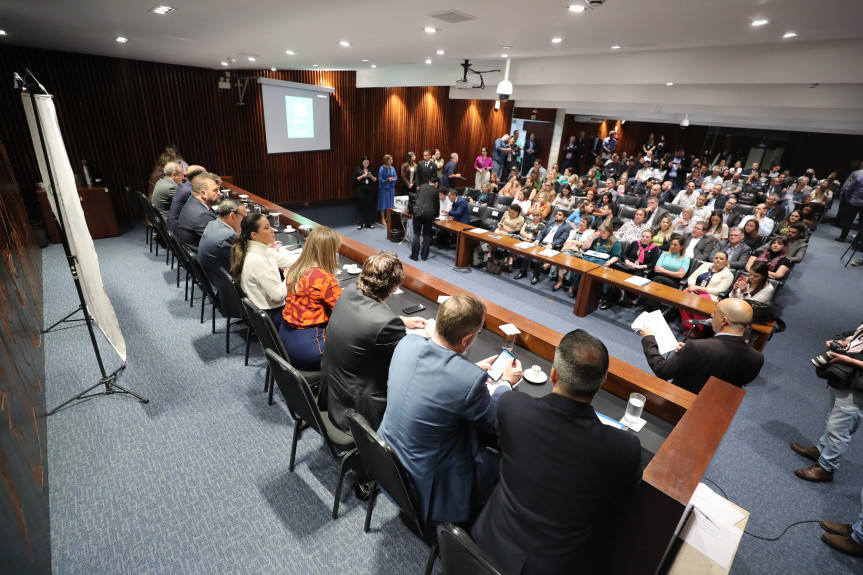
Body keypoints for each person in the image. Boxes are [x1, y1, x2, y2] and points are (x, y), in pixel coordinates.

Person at [471, 329, 641, 575]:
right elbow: (626, 502)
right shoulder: (624, 448)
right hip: (559, 565)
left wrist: (506, 382)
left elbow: (499, 398)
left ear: (553, 374)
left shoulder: (513, 407)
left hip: (487, 544)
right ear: (602, 382)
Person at [377, 294, 523, 524]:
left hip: (386, 464)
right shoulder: (469, 381)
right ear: (467, 339)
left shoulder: (407, 343)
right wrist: (506, 383)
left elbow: (434, 375)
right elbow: (494, 424)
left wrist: (466, 370)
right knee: (508, 460)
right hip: (426, 485)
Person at [321, 252, 426, 434]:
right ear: (394, 285)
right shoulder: (385, 323)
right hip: (359, 411)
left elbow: (367, 317)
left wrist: (400, 319)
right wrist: (434, 338)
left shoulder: (350, 292)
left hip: (336, 392)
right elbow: (413, 363)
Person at [640, 298, 764, 394]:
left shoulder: (696, 347)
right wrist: (687, 356)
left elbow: (663, 370)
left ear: (724, 321)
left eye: (715, 313)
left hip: (681, 402)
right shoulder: (758, 358)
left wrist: (648, 339)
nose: (711, 315)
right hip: (717, 411)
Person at [790, 322, 863, 483]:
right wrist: (843, 344)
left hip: (858, 386)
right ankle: (821, 450)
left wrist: (849, 360)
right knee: (831, 419)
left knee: (840, 429)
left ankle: (826, 467)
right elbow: (858, 337)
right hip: (843, 377)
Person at [278, 226, 342, 371]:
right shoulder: (324, 279)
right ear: (329, 251)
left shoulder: (295, 269)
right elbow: (343, 311)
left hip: (285, 341)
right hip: (310, 350)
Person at [230, 213, 300, 327]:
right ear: (254, 235)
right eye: (267, 228)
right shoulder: (258, 260)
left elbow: (290, 260)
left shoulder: (261, 249)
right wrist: (288, 277)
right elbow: (278, 296)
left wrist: (311, 257)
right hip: (272, 316)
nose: (273, 230)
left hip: (269, 310)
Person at [198, 199, 246, 313]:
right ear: (232, 216)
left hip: (217, 284)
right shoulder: (228, 237)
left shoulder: (213, 224)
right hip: (230, 294)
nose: (245, 221)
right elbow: (246, 264)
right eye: (244, 217)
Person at [514, 209, 569, 283]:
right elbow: (542, 233)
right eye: (556, 214)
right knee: (528, 252)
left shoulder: (566, 227)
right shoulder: (550, 222)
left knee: (540, 257)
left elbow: (562, 239)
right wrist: (537, 240)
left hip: (551, 246)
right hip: (541, 243)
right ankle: (522, 272)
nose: (556, 215)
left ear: (564, 218)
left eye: (559, 215)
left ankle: (535, 276)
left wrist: (551, 245)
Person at [175, 172, 221, 250]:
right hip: (201, 258)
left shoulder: (192, 202)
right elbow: (220, 241)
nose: (219, 193)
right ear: (203, 193)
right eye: (215, 190)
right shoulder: (202, 215)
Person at [167, 165, 206, 234]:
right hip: (179, 231)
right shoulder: (190, 190)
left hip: (174, 225)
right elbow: (199, 211)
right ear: (199, 177)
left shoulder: (184, 185)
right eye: (206, 175)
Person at [409, 176, 440, 261]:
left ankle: (414, 256)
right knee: (426, 235)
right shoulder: (436, 190)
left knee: (416, 234)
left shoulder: (421, 186)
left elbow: (416, 199)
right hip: (429, 214)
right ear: (436, 183)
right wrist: (436, 215)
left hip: (417, 211)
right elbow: (437, 206)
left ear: (429, 181)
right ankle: (424, 256)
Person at [353, 155, 378, 230]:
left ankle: (369, 223)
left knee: (369, 205)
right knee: (361, 205)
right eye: (365, 162)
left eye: (367, 162)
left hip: (370, 188)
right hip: (360, 188)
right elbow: (355, 179)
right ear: (362, 162)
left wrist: (370, 176)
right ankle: (360, 223)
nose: (366, 164)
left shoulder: (371, 168)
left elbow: (375, 179)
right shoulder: (358, 168)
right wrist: (363, 176)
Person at [377, 154, 397, 226]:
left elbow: (396, 177)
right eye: (390, 159)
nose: (392, 160)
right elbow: (380, 179)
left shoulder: (392, 168)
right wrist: (387, 180)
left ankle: (388, 217)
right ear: (386, 160)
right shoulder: (382, 168)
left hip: (391, 188)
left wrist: (392, 180)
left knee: (390, 203)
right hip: (383, 188)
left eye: (392, 159)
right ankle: (382, 218)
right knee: (383, 203)